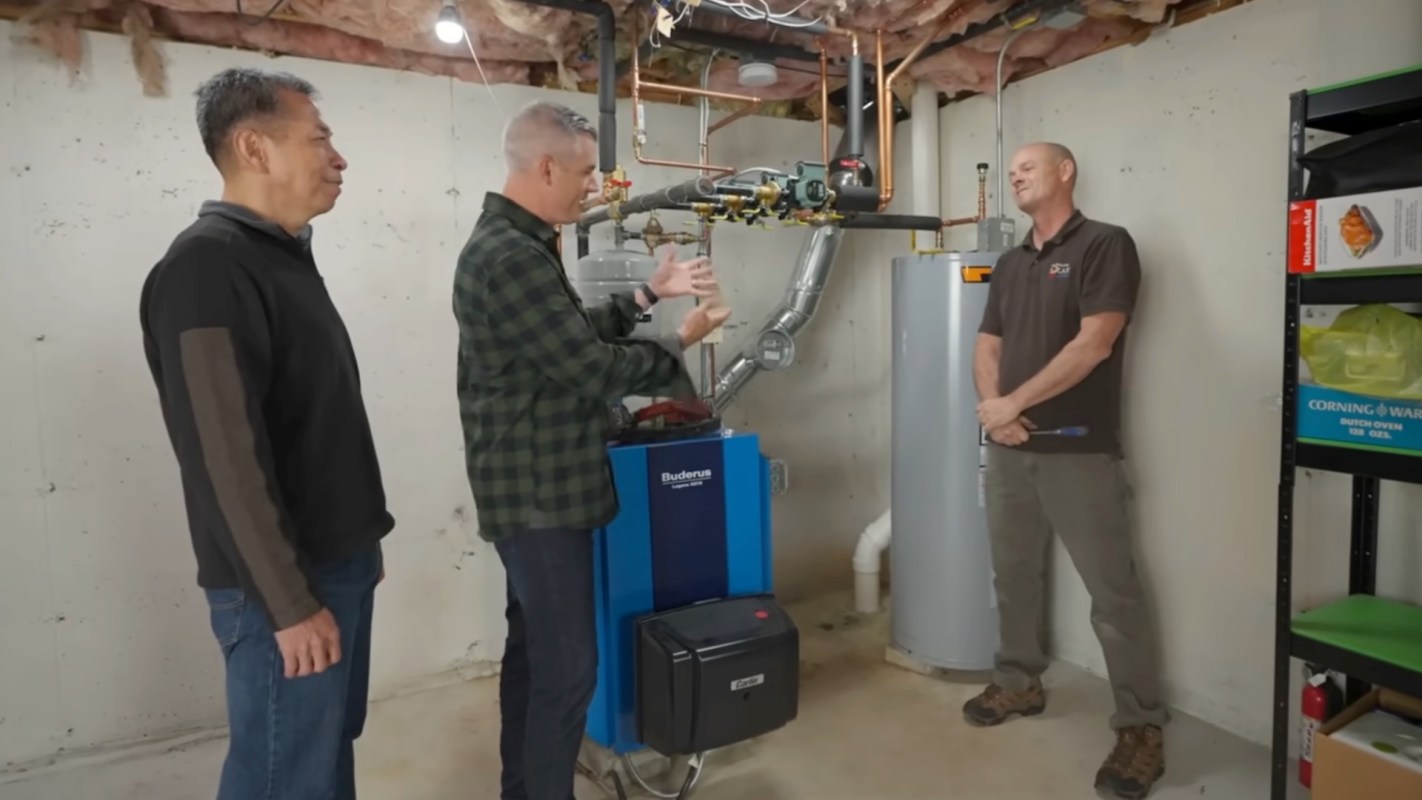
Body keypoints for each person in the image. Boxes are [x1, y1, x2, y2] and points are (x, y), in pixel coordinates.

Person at [451, 100, 729, 800]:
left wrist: (646, 294)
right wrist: (680, 339)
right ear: (545, 166)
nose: (594, 187)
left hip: (539, 488)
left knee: (533, 660)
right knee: (568, 671)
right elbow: (590, 368)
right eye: (583, 172)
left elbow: (571, 334)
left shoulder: (521, 243)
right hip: (538, 497)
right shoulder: (509, 256)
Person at [139, 67, 393, 800]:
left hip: (332, 563)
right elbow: (225, 457)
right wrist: (289, 603)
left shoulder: (279, 256)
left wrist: (360, 544)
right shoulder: (207, 267)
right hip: (282, 584)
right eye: (319, 139)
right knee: (286, 774)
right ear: (254, 148)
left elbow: (313, 420)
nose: (337, 157)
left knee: (320, 755)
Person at [964, 142, 1168, 800]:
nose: (1017, 174)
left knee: (1114, 595)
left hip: (1078, 450)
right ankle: (1019, 683)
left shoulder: (1106, 245)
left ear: (1066, 171)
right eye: (1013, 169)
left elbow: (1095, 342)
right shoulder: (1012, 262)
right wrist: (996, 416)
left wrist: (1011, 405)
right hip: (1009, 451)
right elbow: (987, 343)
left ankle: (1141, 728)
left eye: (1030, 165)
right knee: (1014, 574)